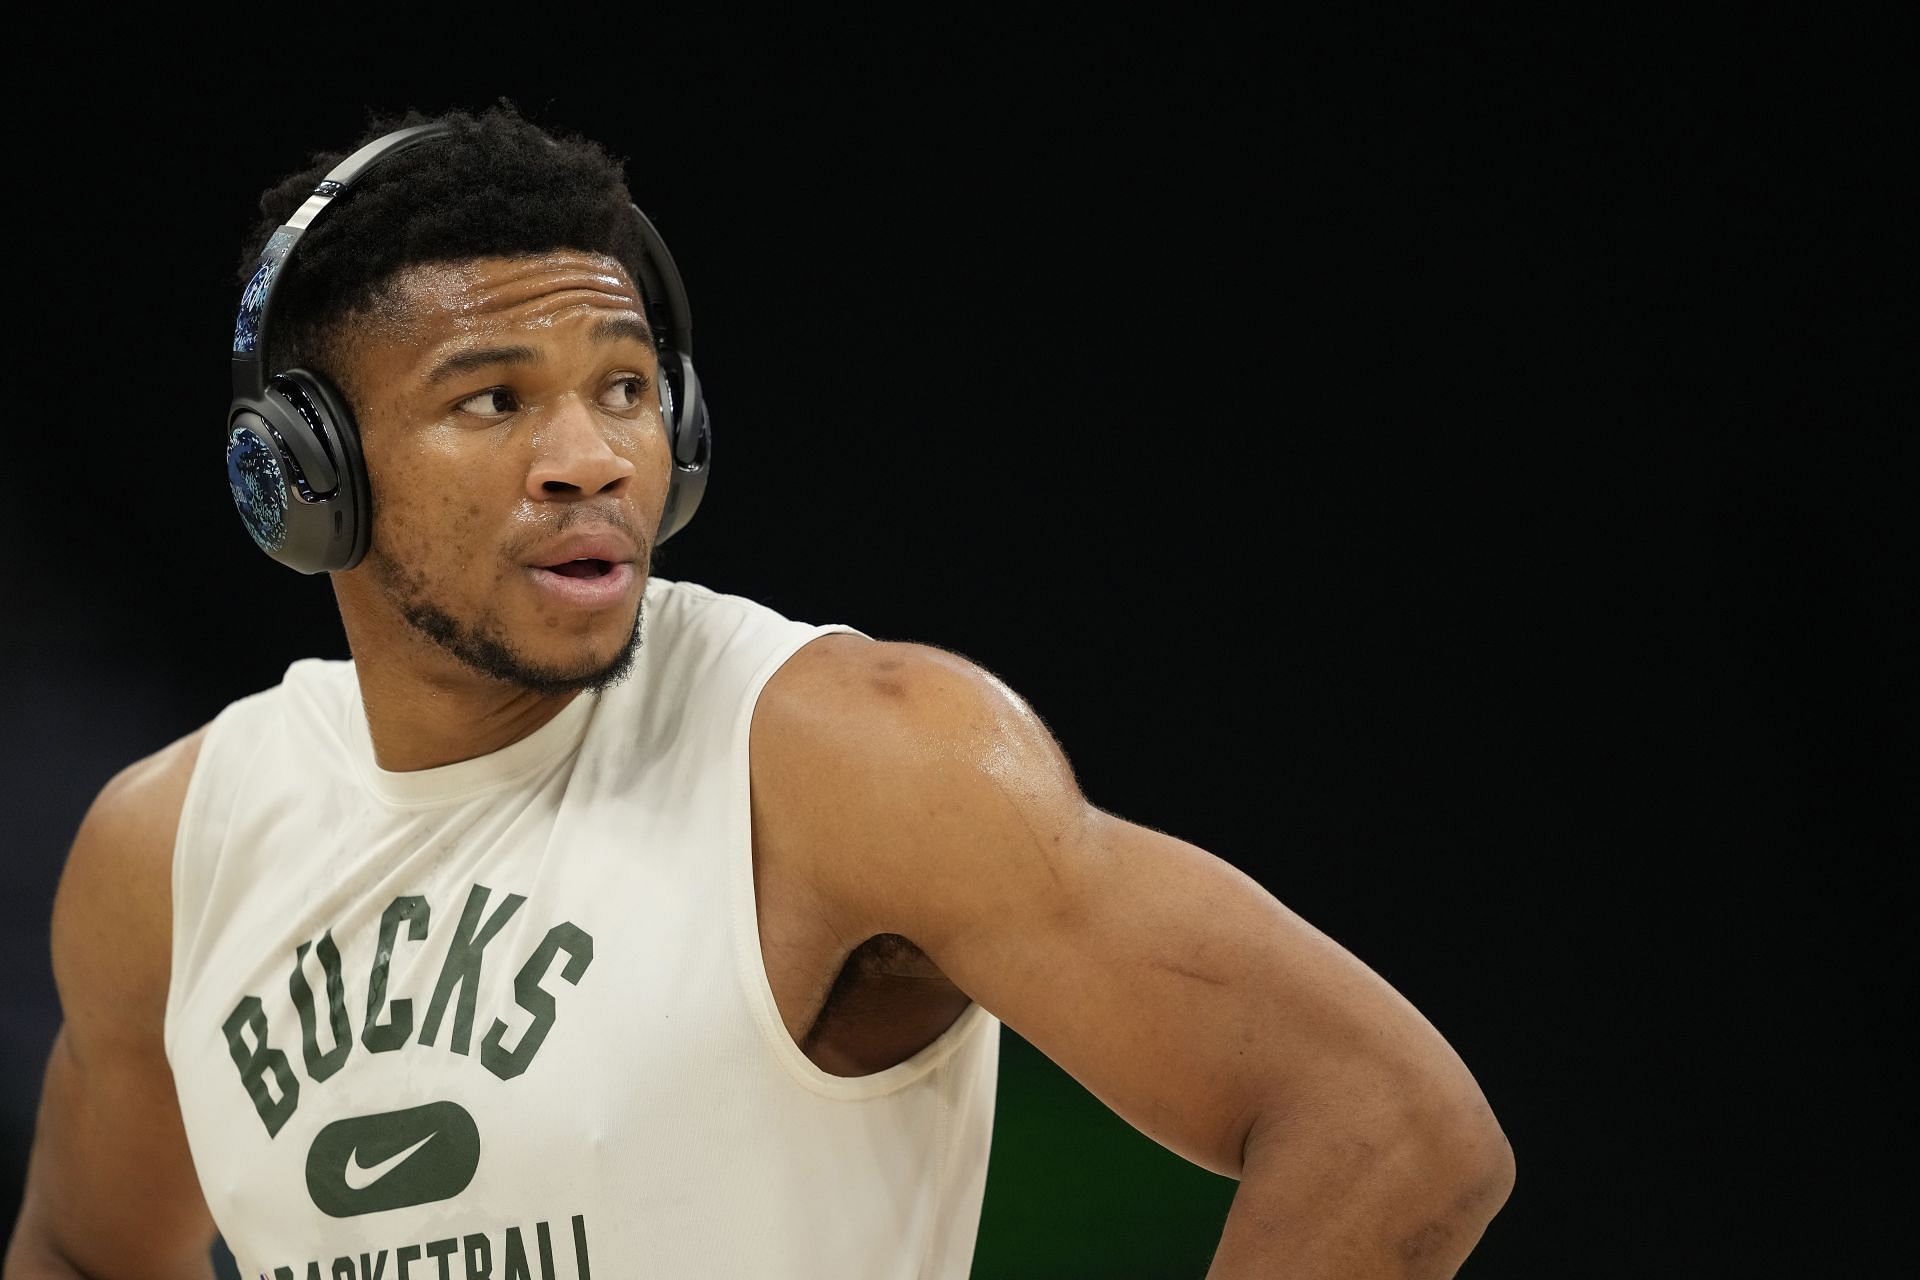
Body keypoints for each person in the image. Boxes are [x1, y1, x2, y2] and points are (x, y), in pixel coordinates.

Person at [5, 102, 1513, 1280]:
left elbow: (1394, 1131)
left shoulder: (851, 753)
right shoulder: (176, 847)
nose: (592, 456)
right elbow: (87, 1244)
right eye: (492, 399)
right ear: (304, 478)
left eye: (624, 385)